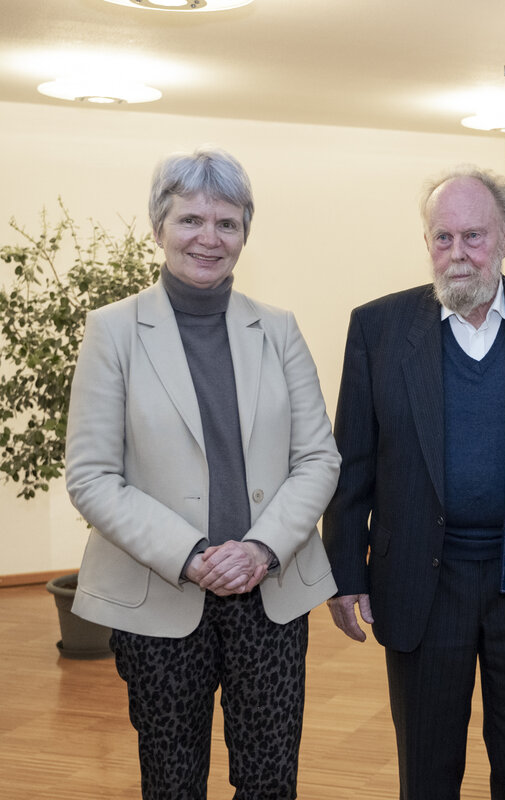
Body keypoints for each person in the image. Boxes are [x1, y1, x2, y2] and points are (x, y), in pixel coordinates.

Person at [321, 165, 505, 799]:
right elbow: (353, 462)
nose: (458, 254)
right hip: (423, 584)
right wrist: (346, 573)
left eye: (473, 237)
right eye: (443, 238)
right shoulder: (378, 329)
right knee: (426, 776)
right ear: (426, 242)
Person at [64, 145, 341, 799]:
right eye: (191, 220)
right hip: (159, 595)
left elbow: (318, 457)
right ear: (158, 226)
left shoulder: (277, 329)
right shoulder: (113, 333)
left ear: (245, 231)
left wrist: (262, 549)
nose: (208, 239)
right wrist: (191, 555)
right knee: (171, 780)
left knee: (270, 781)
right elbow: (92, 475)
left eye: (227, 223)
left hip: (268, 596)